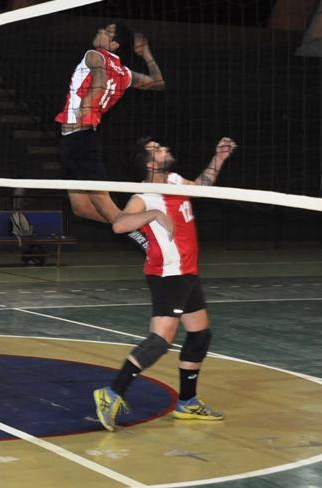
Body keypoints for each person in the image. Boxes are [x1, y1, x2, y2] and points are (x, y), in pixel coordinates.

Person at [93, 135, 238, 432]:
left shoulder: (173, 179)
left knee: (200, 336)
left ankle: (187, 402)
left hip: (187, 272)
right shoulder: (143, 196)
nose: (166, 149)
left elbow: (203, 188)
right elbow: (119, 224)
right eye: (158, 150)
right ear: (150, 164)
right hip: (167, 274)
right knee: (160, 341)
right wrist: (154, 214)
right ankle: (111, 394)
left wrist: (219, 157)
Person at [54, 22, 165, 224]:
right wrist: (146, 53)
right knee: (82, 208)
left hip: (82, 138)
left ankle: (146, 230)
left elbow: (100, 78)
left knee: (105, 204)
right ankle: (138, 225)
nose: (100, 31)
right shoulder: (125, 73)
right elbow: (158, 82)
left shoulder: (94, 54)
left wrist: (87, 105)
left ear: (114, 45)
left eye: (107, 32)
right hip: (73, 140)